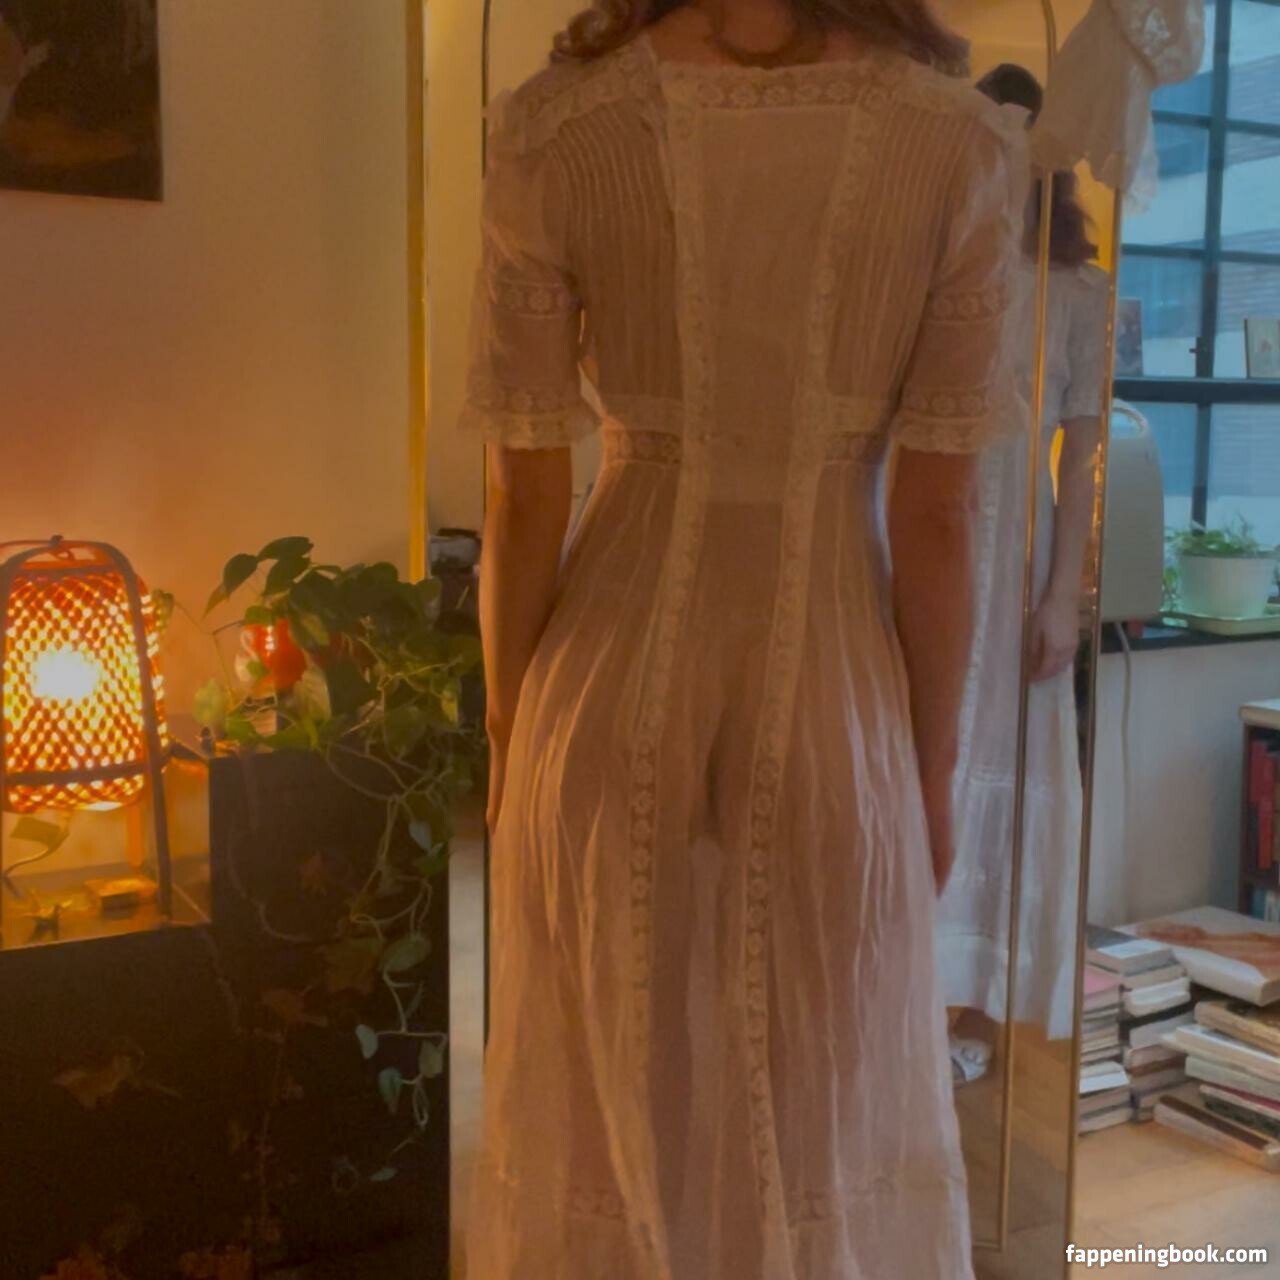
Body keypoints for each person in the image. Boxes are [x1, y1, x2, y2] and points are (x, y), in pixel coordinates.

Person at [462, 2, 1025, 1275]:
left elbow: (521, 495)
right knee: (819, 1116)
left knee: (608, 1116)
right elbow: (937, 517)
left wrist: (508, 736)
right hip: (832, 681)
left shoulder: (555, 127)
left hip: (601, 678)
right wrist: (929, 770)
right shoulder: (955, 144)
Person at [938, 63, 1109, 1081]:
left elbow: (1080, 458)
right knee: (916, 755)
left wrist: (1060, 597)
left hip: (1017, 548)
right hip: (918, 531)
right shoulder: (929, 264)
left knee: (1001, 763)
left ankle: (975, 1013)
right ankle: (900, 1000)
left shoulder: (1075, 293)